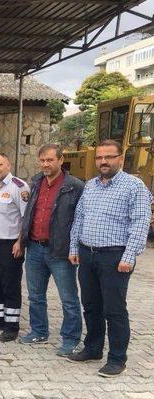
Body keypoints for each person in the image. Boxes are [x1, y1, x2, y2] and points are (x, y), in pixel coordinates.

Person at [67, 139, 152, 377]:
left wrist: (129, 256)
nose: (103, 161)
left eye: (109, 157)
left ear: (120, 159)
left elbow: (140, 224)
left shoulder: (134, 186)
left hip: (115, 257)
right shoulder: (91, 186)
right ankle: (93, 348)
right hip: (87, 253)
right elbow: (79, 219)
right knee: (91, 305)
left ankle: (117, 359)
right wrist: (74, 248)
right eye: (99, 157)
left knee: (114, 309)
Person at [19, 144, 84, 356]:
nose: (46, 164)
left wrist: (74, 248)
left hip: (60, 252)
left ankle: (71, 339)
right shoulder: (36, 182)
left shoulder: (75, 186)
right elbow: (30, 212)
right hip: (35, 248)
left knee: (69, 299)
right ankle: (39, 331)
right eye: (42, 160)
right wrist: (22, 240)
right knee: (36, 295)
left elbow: (80, 220)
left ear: (60, 160)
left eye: (50, 160)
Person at [0, 153, 30, 342]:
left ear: (8, 165)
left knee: (10, 286)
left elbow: (25, 219)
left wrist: (20, 243)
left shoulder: (19, 187)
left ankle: (11, 326)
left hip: (9, 245)